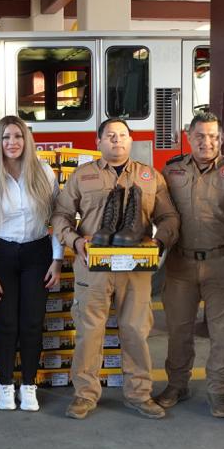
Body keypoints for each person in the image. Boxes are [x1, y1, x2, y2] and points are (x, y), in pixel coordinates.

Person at [52, 117, 179, 421]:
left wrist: (159, 243)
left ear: (130, 141)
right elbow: (61, 216)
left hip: (135, 270)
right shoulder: (83, 176)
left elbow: (169, 218)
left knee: (136, 331)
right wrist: (75, 242)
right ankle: (84, 395)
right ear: (98, 142)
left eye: (122, 135)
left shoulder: (151, 177)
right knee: (89, 332)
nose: (117, 140)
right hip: (93, 269)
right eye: (110, 135)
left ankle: (139, 394)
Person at [154, 111, 224, 419]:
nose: (207, 142)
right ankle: (177, 385)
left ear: (221, 139)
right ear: (189, 137)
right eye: (200, 136)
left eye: (213, 136)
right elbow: (160, 214)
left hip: (222, 262)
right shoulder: (171, 171)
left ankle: (219, 391)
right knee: (178, 330)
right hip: (180, 263)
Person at [0, 116, 62, 412]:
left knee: (31, 323)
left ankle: (28, 386)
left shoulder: (43, 172)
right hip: (1, 254)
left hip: (37, 254)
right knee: (7, 324)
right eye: (5, 137)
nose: (12, 142)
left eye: (17, 136)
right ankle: (5, 387)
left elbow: (56, 220)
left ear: (26, 140)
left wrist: (57, 259)